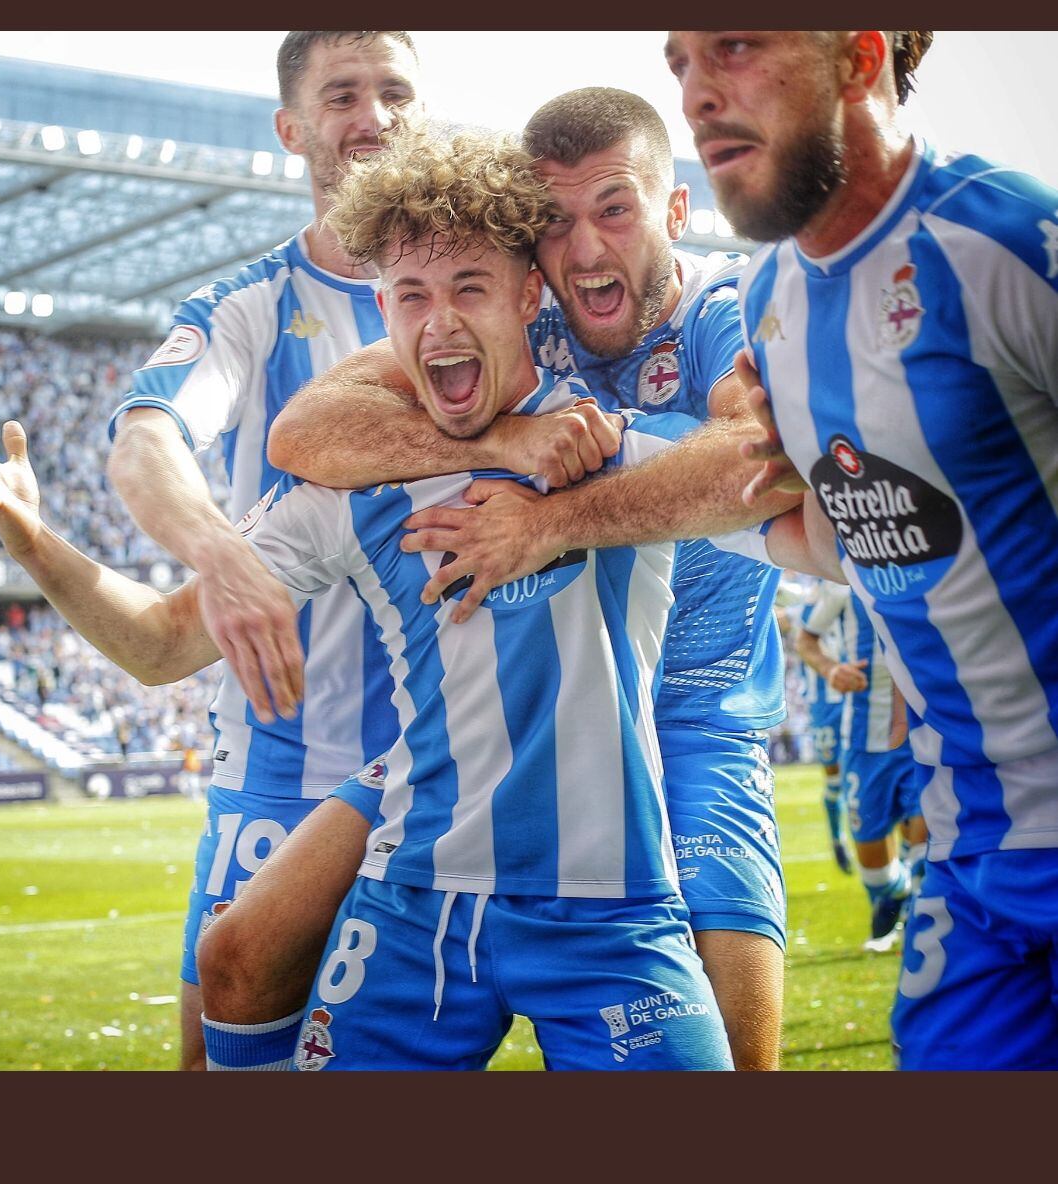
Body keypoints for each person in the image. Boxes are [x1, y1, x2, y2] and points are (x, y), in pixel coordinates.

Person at [0, 124, 839, 1068]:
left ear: (529, 296)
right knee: (233, 957)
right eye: (411, 297)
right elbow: (160, 645)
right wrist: (33, 541)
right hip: (417, 904)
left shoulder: (620, 450)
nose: (438, 323)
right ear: (384, 312)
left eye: (469, 289)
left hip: (606, 909)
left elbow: (803, 522)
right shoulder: (355, 490)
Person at [266, 89, 800, 1069]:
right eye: (555, 219)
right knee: (249, 944)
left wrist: (549, 520)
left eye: (615, 208)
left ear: (676, 210)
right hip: (523, 722)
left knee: (731, 1035)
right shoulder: (514, 313)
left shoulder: (723, 311)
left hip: (693, 721)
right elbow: (301, 431)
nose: (584, 247)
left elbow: (751, 460)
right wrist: (513, 434)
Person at [665, 29, 1058, 1069]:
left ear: (860, 54)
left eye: (734, 48)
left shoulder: (1007, 240)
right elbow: (852, 541)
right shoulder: (770, 302)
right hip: (974, 854)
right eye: (680, 65)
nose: (699, 95)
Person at [103, 30, 422, 1070]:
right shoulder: (249, 310)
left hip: (443, 759)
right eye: (341, 95)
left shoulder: (479, 290)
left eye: (393, 91)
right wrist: (221, 553)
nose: (372, 115)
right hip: (280, 766)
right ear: (292, 129)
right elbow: (145, 439)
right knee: (218, 1063)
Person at [798, 581, 927, 950]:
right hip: (863, 744)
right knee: (877, 874)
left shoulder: (928, 568)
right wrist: (832, 670)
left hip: (924, 739)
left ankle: (925, 939)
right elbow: (806, 641)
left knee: (927, 853)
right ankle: (897, 891)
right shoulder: (843, 581)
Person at [798, 580, 852, 874]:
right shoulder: (807, 596)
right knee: (833, 778)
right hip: (823, 703)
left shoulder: (848, 585)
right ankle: (837, 838)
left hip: (854, 694)